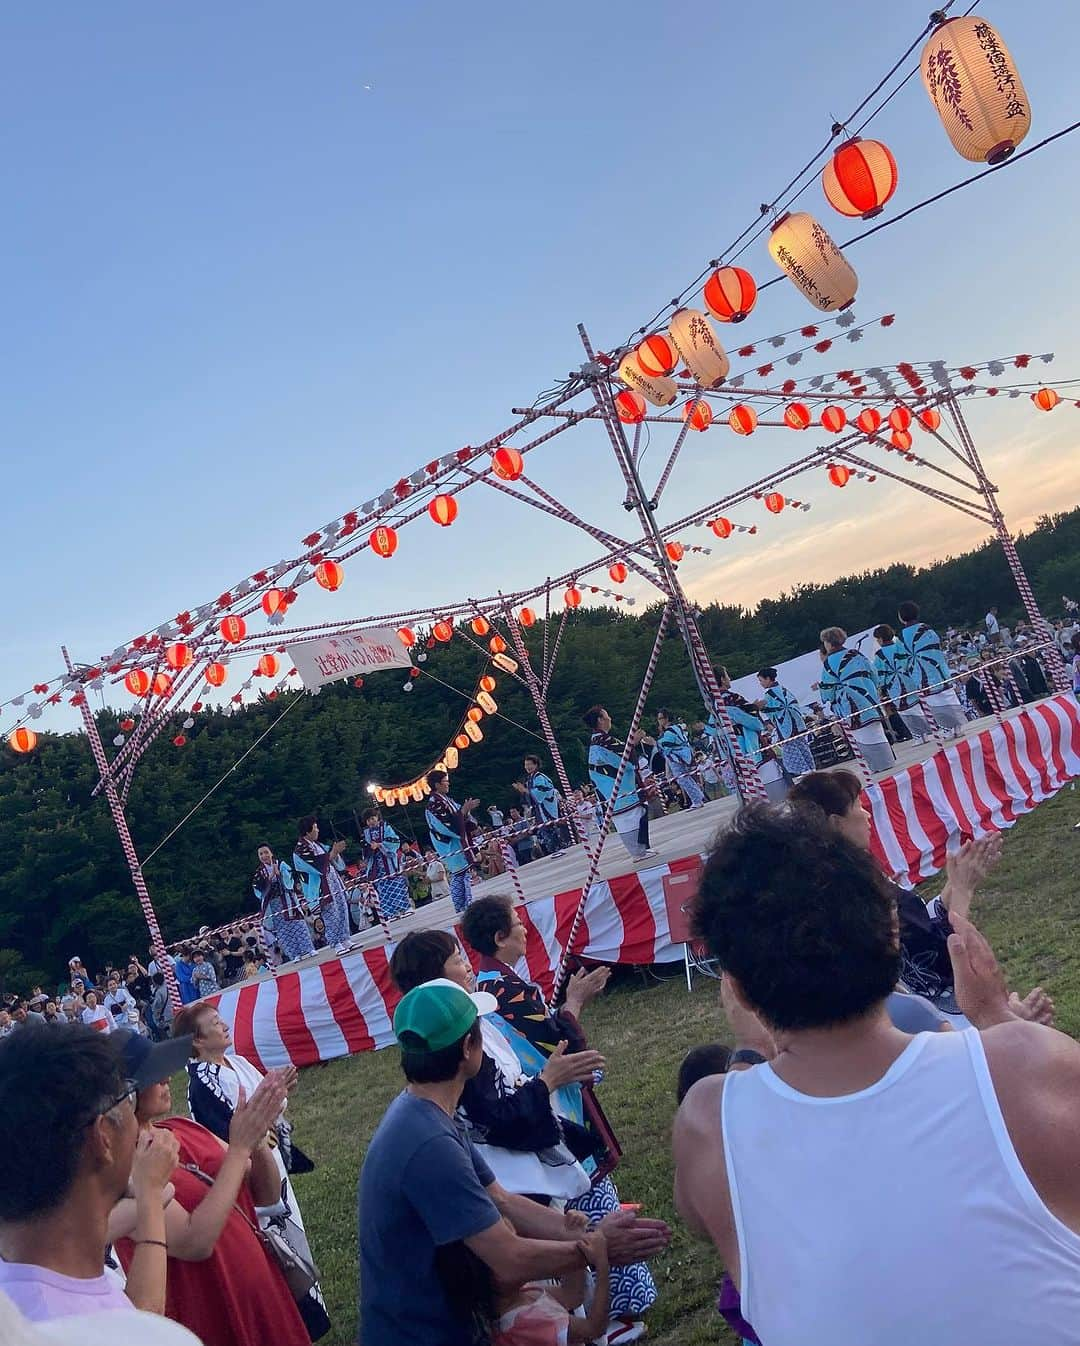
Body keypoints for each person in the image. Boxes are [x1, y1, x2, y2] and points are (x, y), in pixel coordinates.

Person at [674, 803, 1080, 1346]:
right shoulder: (1022, 1064)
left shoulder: (706, 1124)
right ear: (893, 934)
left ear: (738, 989)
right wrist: (996, 1019)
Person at [358, 979, 669, 1346]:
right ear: (469, 1048)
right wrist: (595, 1250)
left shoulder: (428, 1112)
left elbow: (503, 1200)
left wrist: (584, 1235)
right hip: (423, 1331)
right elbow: (508, 1258)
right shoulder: (430, 1142)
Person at [462, 896, 659, 1339]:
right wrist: (572, 1004)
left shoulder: (499, 988)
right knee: (586, 1208)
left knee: (573, 1211)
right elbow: (555, 1045)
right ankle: (613, 1313)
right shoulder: (501, 992)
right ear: (498, 938)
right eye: (517, 924)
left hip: (543, 1114)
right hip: (551, 1118)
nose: (525, 929)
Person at [114, 1032, 309, 1346]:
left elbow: (266, 1195)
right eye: (152, 1073)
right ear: (124, 1094)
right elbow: (194, 1242)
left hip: (262, 1297)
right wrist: (239, 1149)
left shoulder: (182, 1128)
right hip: (213, 1316)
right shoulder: (123, 1171)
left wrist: (256, 1139)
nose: (166, 1077)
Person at [390, 932, 600, 1202]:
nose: (467, 966)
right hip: (515, 1180)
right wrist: (548, 1080)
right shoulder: (457, 1044)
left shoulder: (471, 1017)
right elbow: (496, 1118)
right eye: (457, 960)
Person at [0, 1023, 182, 1320]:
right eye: (129, 1099)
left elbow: (136, 1315)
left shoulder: (31, 1279)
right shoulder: (70, 1324)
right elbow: (140, 1327)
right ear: (103, 1137)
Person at [174, 1003, 329, 1340]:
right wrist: (266, 1106)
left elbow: (272, 1104)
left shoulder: (238, 1062)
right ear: (197, 1042)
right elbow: (230, 1132)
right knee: (274, 1244)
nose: (223, 1025)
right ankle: (296, 1319)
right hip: (252, 1173)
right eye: (214, 1023)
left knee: (291, 1234)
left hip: (271, 1161)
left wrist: (277, 1094)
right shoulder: (203, 1081)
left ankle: (308, 1313)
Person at [583, 706, 657, 863]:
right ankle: (639, 852)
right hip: (620, 791)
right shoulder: (603, 741)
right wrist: (633, 742)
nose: (610, 718)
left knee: (632, 819)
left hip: (614, 792)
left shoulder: (598, 741)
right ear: (600, 720)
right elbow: (624, 762)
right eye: (607, 715)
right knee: (630, 819)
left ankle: (640, 850)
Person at [818, 627, 894, 772]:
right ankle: (887, 761)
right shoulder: (856, 654)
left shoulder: (829, 663)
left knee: (862, 737)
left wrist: (825, 693)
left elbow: (828, 690)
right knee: (877, 732)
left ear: (829, 643)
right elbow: (873, 672)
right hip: (869, 697)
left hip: (850, 704)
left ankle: (877, 766)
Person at [895, 601, 967, 734]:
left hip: (921, 675)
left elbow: (902, 660)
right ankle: (958, 726)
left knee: (935, 703)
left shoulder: (901, 637)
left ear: (901, 617)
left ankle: (947, 730)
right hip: (939, 669)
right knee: (948, 698)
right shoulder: (927, 628)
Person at [424, 769, 481, 913]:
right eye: (445, 781)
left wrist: (465, 812)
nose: (448, 784)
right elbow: (445, 825)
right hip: (451, 844)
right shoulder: (434, 804)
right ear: (437, 784)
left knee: (463, 874)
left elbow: (459, 816)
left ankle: (466, 906)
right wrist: (463, 812)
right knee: (461, 874)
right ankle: (467, 906)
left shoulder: (446, 800)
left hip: (458, 842)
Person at [293, 816, 352, 955]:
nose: (317, 830)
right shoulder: (300, 850)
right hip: (319, 886)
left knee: (342, 907)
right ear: (308, 831)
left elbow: (329, 856)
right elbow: (317, 864)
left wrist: (335, 852)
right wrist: (333, 852)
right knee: (330, 913)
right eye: (315, 827)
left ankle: (345, 938)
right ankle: (335, 943)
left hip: (332, 879)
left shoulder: (317, 845)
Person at [252, 846, 315, 964]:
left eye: (266, 852)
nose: (264, 856)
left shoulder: (281, 864)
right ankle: (294, 954)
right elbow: (258, 891)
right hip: (273, 904)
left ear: (271, 853)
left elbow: (290, 879)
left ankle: (309, 949)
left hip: (287, 899)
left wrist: (279, 874)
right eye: (261, 854)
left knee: (298, 923)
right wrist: (269, 879)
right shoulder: (259, 873)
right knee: (282, 930)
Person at [872, 624, 935, 741]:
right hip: (909, 681)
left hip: (893, 686)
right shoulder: (900, 646)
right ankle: (928, 731)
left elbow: (880, 674)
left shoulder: (879, 655)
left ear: (880, 638)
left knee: (904, 712)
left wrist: (882, 688)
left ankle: (918, 736)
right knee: (918, 707)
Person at [753, 670, 815, 776]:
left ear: (768, 679)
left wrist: (759, 708)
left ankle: (803, 770)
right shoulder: (783, 689)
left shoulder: (769, 694)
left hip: (785, 724)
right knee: (801, 745)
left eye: (761, 680)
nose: (761, 683)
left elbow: (771, 710)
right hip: (796, 721)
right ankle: (810, 767)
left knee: (791, 747)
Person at [360, 806, 413, 919]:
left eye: (373, 818)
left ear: (377, 817)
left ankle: (405, 908)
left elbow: (394, 840)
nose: (371, 821)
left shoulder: (386, 828)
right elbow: (365, 849)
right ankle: (390, 913)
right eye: (369, 820)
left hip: (389, 863)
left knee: (397, 886)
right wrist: (369, 850)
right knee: (383, 890)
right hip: (377, 866)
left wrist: (380, 845)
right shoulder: (366, 834)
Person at [514, 755, 568, 854]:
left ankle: (559, 848)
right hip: (540, 809)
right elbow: (530, 796)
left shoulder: (539, 777)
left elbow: (541, 792)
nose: (527, 767)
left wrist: (525, 790)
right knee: (546, 832)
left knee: (552, 829)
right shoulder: (530, 779)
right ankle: (555, 849)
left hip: (547, 808)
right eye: (526, 765)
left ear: (536, 765)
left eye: (530, 764)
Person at [655, 710, 706, 808]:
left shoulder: (670, 731)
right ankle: (698, 797)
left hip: (676, 756)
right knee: (685, 778)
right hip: (679, 755)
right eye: (658, 719)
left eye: (661, 718)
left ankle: (697, 799)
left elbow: (664, 746)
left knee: (683, 778)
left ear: (666, 718)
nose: (659, 721)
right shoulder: (675, 728)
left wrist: (656, 743)